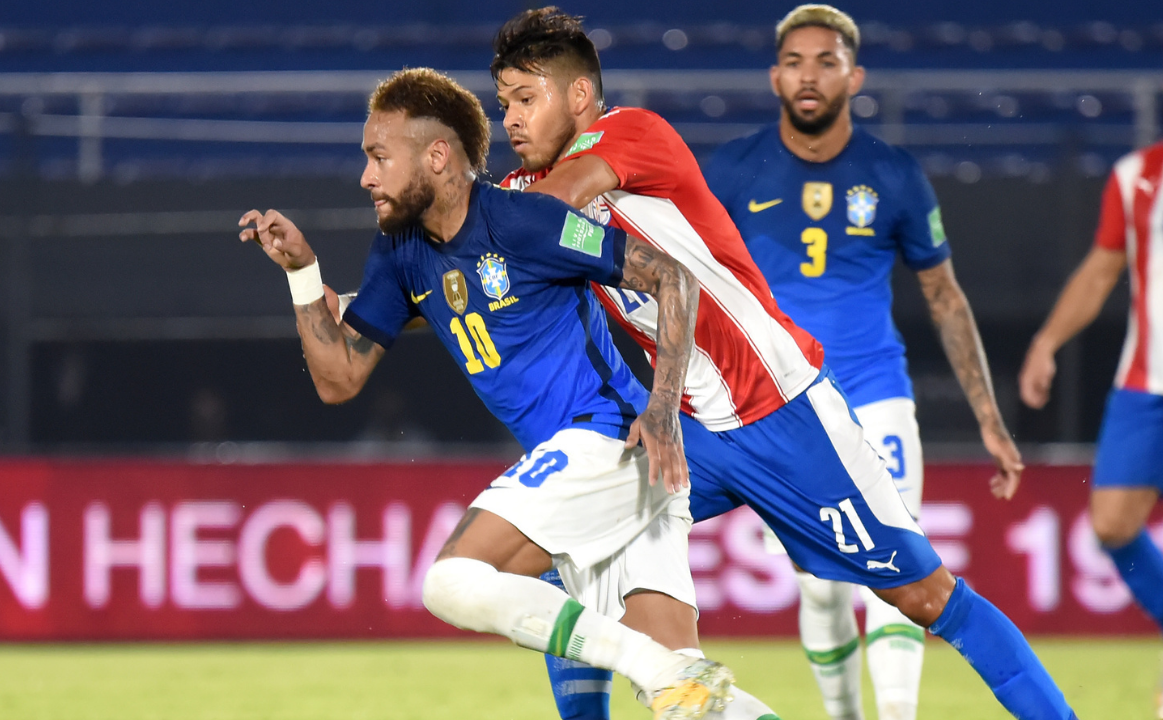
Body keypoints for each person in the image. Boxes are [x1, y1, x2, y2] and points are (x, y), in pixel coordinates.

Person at [487, 7, 1075, 720]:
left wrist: (467, 220)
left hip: (786, 413)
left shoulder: (630, 132)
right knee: (559, 550)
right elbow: (473, 275)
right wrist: (364, 303)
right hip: (693, 431)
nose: (510, 120)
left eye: (526, 99)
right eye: (503, 105)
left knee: (924, 598)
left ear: (579, 97)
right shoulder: (524, 193)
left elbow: (538, 218)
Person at [239, 66, 744, 720]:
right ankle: (668, 673)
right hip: (588, 475)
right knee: (688, 699)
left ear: (438, 156)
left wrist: (664, 406)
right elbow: (339, 379)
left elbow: (670, 276)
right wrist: (304, 274)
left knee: (452, 581)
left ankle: (652, 666)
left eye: (379, 157)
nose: (366, 176)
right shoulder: (400, 255)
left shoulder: (524, 222)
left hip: (608, 442)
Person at [701, 6, 1024, 720]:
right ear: (774, 75)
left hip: (876, 394)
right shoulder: (731, 168)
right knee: (820, 585)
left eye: (825, 60)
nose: (808, 75)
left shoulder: (895, 174)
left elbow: (943, 296)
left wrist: (990, 420)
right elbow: (689, 281)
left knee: (899, 562)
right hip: (780, 405)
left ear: (856, 75)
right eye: (795, 61)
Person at [1019, 137, 1163, 720]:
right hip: (1145, 382)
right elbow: (1104, 267)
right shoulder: (1137, 176)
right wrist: (1047, 342)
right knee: (1111, 523)